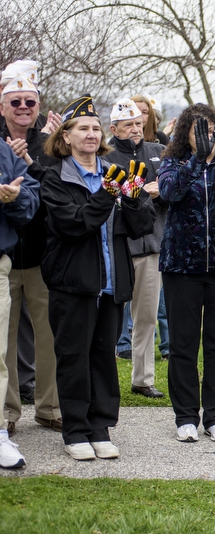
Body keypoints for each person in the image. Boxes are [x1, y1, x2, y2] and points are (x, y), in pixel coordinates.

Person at [41, 94, 153, 461]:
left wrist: (134, 197)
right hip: (73, 283)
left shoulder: (114, 172)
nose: (91, 134)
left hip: (111, 282)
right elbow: (74, 226)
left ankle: (100, 427)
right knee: (73, 357)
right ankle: (75, 431)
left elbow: (141, 227)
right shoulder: (56, 177)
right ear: (66, 136)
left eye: (95, 128)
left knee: (103, 356)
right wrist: (108, 194)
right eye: (82, 128)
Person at [158, 103, 215, 443]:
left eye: (212, 130)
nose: (206, 136)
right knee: (183, 343)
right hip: (182, 266)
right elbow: (170, 192)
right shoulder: (173, 162)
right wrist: (197, 159)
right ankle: (185, 416)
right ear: (186, 134)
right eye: (198, 130)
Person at [0, 75, 61, 438]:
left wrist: (32, 163)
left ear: (38, 106)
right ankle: (7, 412)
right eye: (16, 101)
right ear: (3, 106)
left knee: (48, 337)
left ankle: (49, 407)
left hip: (42, 253)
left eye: (30, 102)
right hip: (6, 252)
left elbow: (55, 190)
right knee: (3, 338)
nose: (24, 108)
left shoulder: (51, 142)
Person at [106, 98, 166, 398]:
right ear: (114, 128)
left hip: (152, 246)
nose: (135, 128)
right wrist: (144, 192)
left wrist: (162, 190)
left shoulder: (157, 152)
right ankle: (104, 378)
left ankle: (143, 379)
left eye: (138, 123)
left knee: (146, 317)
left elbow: (172, 191)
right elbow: (112, 198)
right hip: (119, 248)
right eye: (128, 124)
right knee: (111, 319)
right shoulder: (106, 156)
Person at [0, 127, 40, 469]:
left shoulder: (3, 152)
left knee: (0, 354)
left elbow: (30, 201)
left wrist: (14, 199)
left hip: (3, 263)